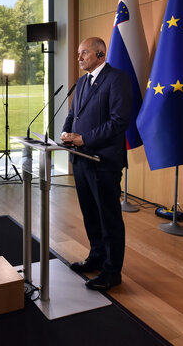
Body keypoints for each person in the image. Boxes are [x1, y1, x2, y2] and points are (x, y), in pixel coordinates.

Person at [60, 37, 132, 291]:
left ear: (100, 54)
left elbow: (118, 121)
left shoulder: (117, 79)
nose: (79, 58)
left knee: (108, 216)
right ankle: (96, 257)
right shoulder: (81, 82)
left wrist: (85, 138)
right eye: (78, 53)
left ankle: (113, 272)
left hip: (103, 161)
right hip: (81, 159)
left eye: (84, 53)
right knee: (90, 213)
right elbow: (73, 115)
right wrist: (66, 135)